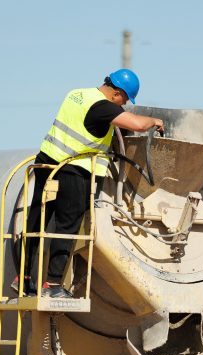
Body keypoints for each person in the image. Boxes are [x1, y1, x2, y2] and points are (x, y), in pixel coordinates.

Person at [16, 68, 165, 298]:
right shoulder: (103, 107)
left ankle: (23, 278)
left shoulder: (76, 94)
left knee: (37, 221)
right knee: (67, 227)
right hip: (74, 170)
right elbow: (136, 124)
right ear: (116, 93)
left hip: (46, 162)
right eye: (124, 100)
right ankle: (53, 286)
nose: (123, 105)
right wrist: (154, 121)